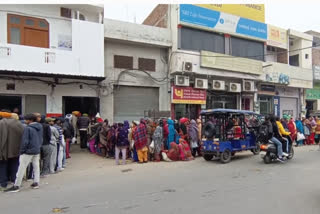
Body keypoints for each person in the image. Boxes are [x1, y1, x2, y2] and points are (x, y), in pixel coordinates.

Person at [5, 114, 43, 193]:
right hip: (37, 149)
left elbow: (25, 141)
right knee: (36, 167)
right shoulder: (40, 127)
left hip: (28, 151)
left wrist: (22, 150)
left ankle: (16, 185)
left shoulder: (28, 128)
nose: (25, 121)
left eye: (26, 119)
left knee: (21, 168)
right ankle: (36, 182)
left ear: (30, 120)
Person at [0, 113, 24, 190]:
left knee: (3, 166)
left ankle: (3, 183)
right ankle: (15, 181)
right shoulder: (19, 124)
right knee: (15, 165)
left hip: (3, 149)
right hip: (16, 150)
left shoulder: (2, 123)